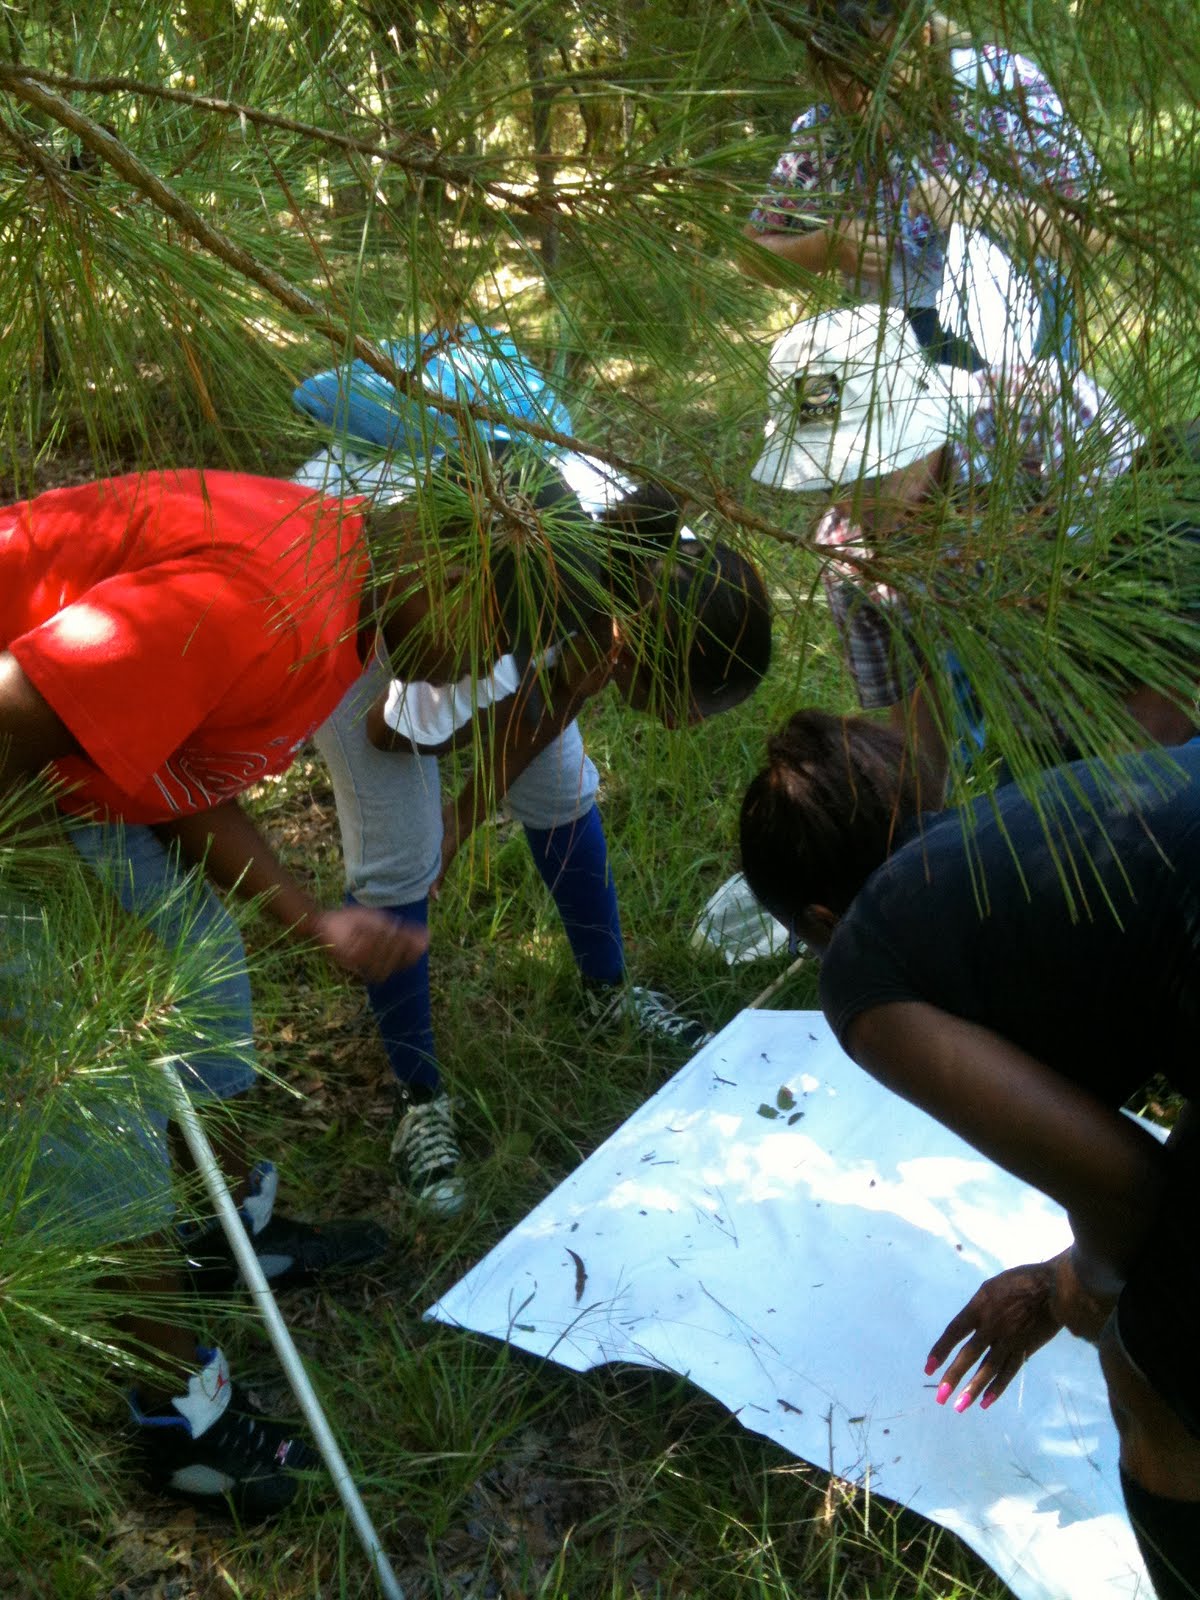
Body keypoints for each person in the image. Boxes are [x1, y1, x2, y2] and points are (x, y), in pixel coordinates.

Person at [0, 469, 432, 1516]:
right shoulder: (266, 602)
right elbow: (10, 716)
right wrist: (92, 931)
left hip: (54, 766)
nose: (490, 669)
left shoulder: (347, 598)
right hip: (10, 762)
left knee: (199, 957)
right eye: (503, 634)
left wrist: (310, 919)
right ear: (449, 574)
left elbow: (166, 766)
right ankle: (176, 1417)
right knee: (94, 1075)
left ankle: (225, 1230)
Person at [739, 710, 1200, 1599]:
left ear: (823, 919)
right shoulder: (1020, 829)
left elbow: (1129, 1189)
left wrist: (1079, 1286)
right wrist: (1066, 1273)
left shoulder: (863, 960)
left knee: (1151, 1375)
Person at [310, 440, 773, 1213]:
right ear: (642, 651)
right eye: (693, 706)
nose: (690, 726)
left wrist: (535, 715)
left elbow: (545, 707)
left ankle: (606, 992)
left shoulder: (645, 569)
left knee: (562, 789)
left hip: (502, 599)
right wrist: (449, 827)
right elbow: (399, 731)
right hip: (366, 612)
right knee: (401, 854)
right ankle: (418, 1096)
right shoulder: (559, 592)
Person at [750, 301, 1153, 794]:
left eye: (872, 467)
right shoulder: (847, 554)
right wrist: (918, 822)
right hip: (1036, 733)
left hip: (1159, 693)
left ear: (922, 422)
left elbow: (1158, 587)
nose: (856, 501)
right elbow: (914, 706)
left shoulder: (1046, 414)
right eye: (829, 479)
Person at [739, 0, 1101, 367]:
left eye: (881, 74)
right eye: (842, 80)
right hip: (889, 339)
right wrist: (825, 248)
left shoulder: (1002, 85)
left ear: (922, 38)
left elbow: (1095, 229)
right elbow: (750, 254)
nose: (862, 101)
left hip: (1021, 316)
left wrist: (981, 207)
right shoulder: (823, 133)